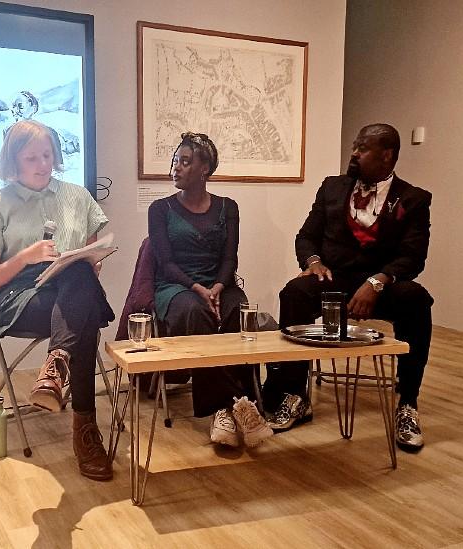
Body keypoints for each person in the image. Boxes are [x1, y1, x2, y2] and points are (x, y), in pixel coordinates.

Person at [262, 123, 434, 452]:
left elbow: (413, 257)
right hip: (335, 280)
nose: (354, 152)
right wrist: (312, 263)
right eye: (355, 145)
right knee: (295, 293)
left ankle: (407, 404)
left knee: (417, 299)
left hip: (382, 282)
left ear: (387, 155)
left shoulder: (413, 199)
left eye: (363, 148)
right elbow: (307, 236)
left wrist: (378, 281)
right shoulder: (332, 188)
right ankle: (295, 397)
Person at [0, 119, 114, 481]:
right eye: (32, 157)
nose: (43, 164)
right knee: (84, 316)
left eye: (47, 155)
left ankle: (56, 365)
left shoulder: (78, 197)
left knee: (77, 276)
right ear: (13, 161)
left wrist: (88, 262)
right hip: (22, 296)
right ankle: (85, 429)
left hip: (71, 288)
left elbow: (91, 261)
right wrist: (25, 257)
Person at [148, 132, 273, 448]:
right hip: (177, 287)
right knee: (196, 311)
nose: (176, 168)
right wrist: (198, 289)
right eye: (175, 160)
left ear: (205, 169)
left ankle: (229, 410)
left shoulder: (228, 207)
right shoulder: (160, 209)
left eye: (185, 162)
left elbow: (230, 257)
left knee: (238, 310)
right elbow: (164, 262)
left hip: (221, 283)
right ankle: (230, 407)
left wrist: (217, 286)